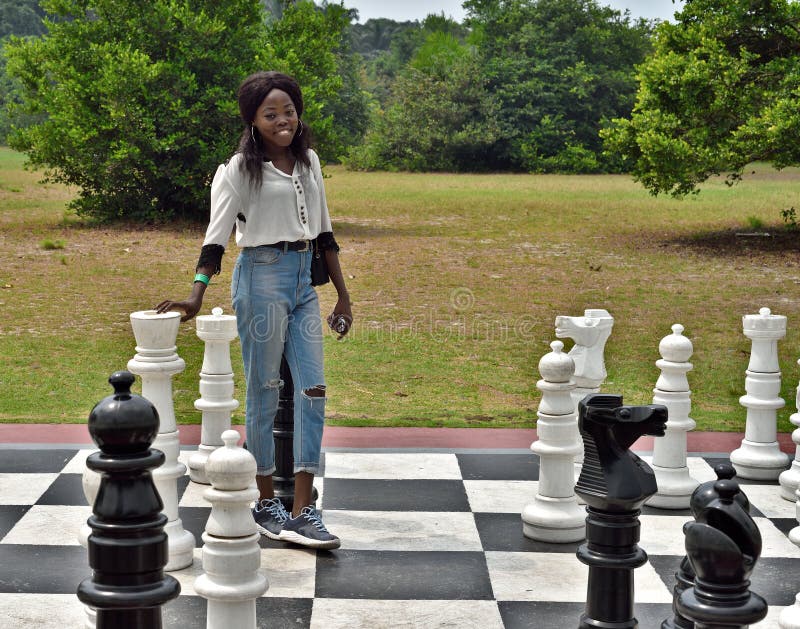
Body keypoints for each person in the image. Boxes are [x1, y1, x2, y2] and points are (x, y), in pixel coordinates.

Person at [156, 71, 352, 550]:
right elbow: (215, 238)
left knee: (313, 390)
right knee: (265, 390)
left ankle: (305, 512)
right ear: (254, 120)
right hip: (259, 276)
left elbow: (324, 232)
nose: (282, 120)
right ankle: (268, 503)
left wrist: (344, 296)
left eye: (288, 110)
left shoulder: (309, 162)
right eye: (271, 114)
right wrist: (197, 293)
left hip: (304, 278)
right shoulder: (238, 171)